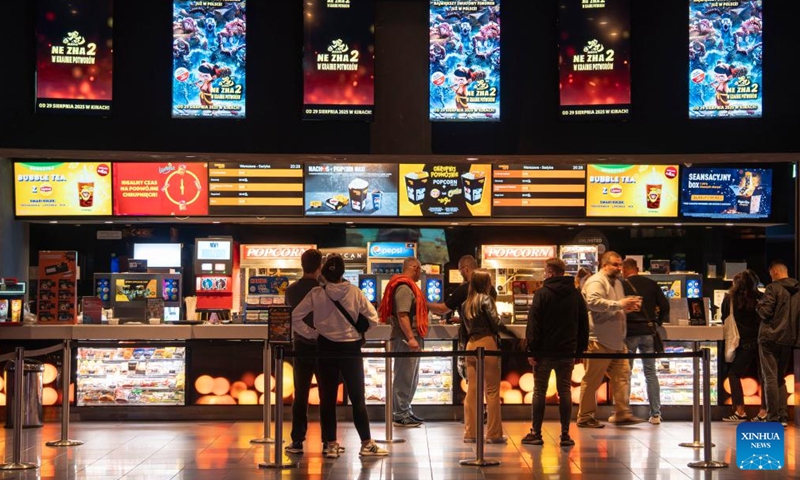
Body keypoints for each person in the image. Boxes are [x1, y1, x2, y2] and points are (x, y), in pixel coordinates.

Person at [291, 255, 388, 458]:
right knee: (357, 397)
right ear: (342, 273)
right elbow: (373, 318)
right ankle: (366, 443)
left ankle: (331, 444)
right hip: (351, 348)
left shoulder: (317, 293)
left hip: (325, 347)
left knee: (327, 398)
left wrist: (313, 333)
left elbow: (295, 317)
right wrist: (359, 332)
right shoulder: (354, 292)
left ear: (324, 271)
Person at [522, 258, 589, 447]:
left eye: (545, 271)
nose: (544, 274)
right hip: (567, 351)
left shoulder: (541, 294)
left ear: (550, 272)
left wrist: (531, 350)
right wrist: (580, 350)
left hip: (544, 352)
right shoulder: (576, 295)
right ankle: (565, 434)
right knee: (565, 391)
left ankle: (536, 433)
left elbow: (533, 325)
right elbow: (583, 325)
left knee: (539, 392)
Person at [577, 251, 644, 428]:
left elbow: (613, 306)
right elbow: (593, 302)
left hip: (616, 341)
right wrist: (620, 304)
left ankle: (622, 412)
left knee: (623, 376)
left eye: (620, 264)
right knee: (592, 381)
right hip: (599, 340)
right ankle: (585, 416)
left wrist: (626, 306)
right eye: (615, 264)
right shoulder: (596, 281)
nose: (619, 268)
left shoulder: (618, 283)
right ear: (604, 265)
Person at [461, 269, 522, 444]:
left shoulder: (466, 303)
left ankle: (470, 433)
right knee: (492, 391)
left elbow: (465, 329)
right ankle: (494, 434)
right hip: (487, 343)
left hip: (470, 346)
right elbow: (496, 324)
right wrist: (513, 335)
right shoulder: (486, 299)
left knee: (472, 391)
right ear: (486, 283)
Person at [378, 257, 429, 427]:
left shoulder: (405, 286)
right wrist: (411, 338)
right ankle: (400, 414)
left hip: (408, 337)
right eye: (420, 269)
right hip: (406, 339)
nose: (421, 273)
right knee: (404, 376)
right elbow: (402, 315)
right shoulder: (405, 288)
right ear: (414, 267)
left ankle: (405, 410)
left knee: (411, 376)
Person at [621, 258, 669, 425]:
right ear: (638, 268)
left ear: (624, 270)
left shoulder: (621, 285)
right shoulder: (651, 284)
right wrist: (658, 322)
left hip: (629, 333)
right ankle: (655, 414)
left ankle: (624, 411)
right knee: (650, 373)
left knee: (625, 374)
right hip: (648, 332)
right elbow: (665, 306)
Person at [284, 249, 323, 454]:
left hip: (300, 347)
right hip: (323, 347)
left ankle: (297, 440)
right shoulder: (324, 289)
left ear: (301, 265)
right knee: (326, 393)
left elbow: (288, 319)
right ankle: (328, 441)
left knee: (300, 395)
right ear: (320, 266)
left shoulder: (291, 291)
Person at [755, 261, 797, 425]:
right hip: (788, 338)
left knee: (770, 378)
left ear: (775, 272)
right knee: (780, 378)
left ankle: (772, 417)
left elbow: (765, 312)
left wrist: (759, 305)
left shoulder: (773, 288)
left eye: (771, 273)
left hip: (769, 338)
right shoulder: (797, 290)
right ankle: (782, 416)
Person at [721, 270, 763, 422]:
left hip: (742, 343)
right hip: (761, 342)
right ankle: (763, 413)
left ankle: (740, 411)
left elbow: (724, 318)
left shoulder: (729, 299)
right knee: (764, 377)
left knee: (734, 374)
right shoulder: (761, 298)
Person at [428, 254, 497, 320]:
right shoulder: (491, 289)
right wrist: (462, 319)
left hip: (471, 332)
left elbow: (442, 309)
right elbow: (482, 316)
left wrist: (423, 303)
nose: (460, 273)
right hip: (489, 331)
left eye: (460, 270)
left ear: (466, 269)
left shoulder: (463, 290)